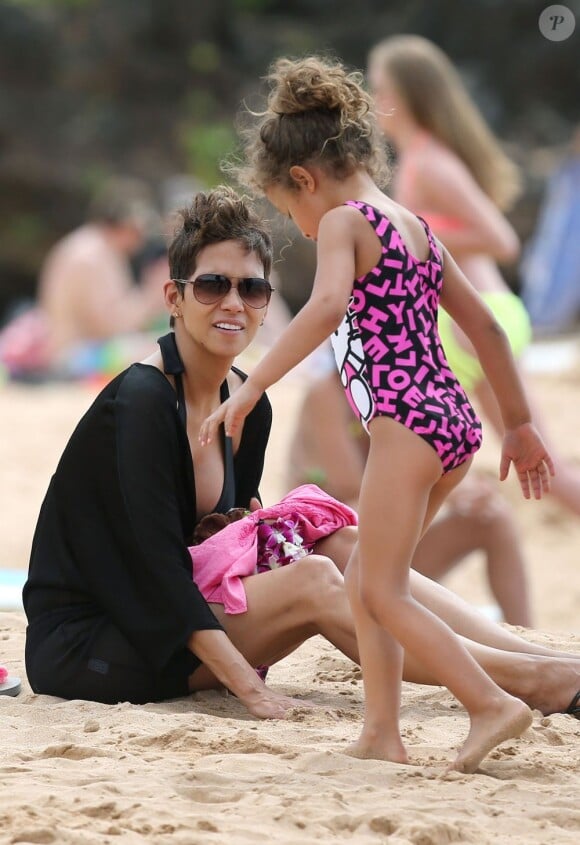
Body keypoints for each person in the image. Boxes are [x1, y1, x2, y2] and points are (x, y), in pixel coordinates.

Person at [22, 185, 580, 729]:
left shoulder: (246, 404)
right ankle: (533, 681)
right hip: (95, 641)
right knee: (313, 578)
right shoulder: (143, 401)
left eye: (253, 290)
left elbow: (226, 541)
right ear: (174, 297)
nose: (234, 304)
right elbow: (153, 572)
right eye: (212, 286)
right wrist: (249, 687)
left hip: (180, 617)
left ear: (269, 303)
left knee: (347, 545)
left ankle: (544, 662)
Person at [199, 56, 555, 774]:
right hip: (455, 422)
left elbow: (327, 308)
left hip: (407, 426)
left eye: (289, 211)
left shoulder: (343, 222)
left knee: (381, 589)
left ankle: (489, 702)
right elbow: (485, 325)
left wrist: (250, 384)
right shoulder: (414, 225)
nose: (300, 225)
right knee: (370, 580)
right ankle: (380, 730)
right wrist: (518, 423)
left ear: (303, 179)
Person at [366, 34, 580, 518]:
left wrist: (416, 237)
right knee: (537, 460)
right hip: (473, 320)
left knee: (539, 460)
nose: (376, 104)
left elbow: (500, 239)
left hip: (476, 320)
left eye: (383, 90)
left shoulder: (428, 163)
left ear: (410, 95)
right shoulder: (421, 161)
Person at [286, 365, 533, 626]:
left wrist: (463, 488)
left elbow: (436, 454)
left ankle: (526, 632)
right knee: (354, 516)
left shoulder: (399, 386)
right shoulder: (328, 393)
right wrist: (443, 486)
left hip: (384, 540)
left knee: (492, 515)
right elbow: (349, 486)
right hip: (334, 554)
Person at [0, 178, 167, 381]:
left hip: (68, 352)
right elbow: (109, 327)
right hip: (69, 359)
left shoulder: (89, 245)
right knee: (161, 349)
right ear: (127, 225)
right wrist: (152, 294)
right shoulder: (94, 256)